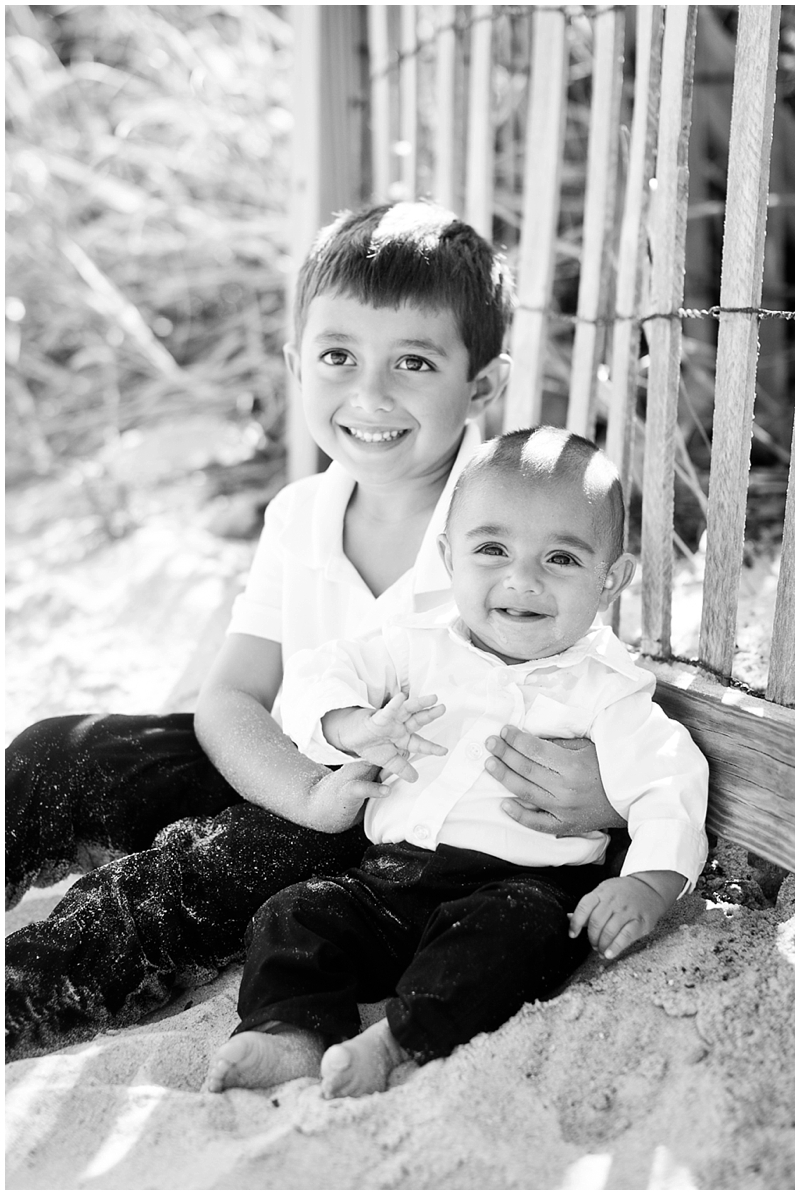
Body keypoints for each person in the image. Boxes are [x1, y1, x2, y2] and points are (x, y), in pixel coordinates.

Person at [6, 203, 624, 1063]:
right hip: (292, 773)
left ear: (480, 385)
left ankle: (25, 993)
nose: (369, 395)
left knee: (210, 867)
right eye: (338, 357)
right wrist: (298, 783)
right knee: (57, 753)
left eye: (413, 361)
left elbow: (596, 686)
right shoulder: (303, 513)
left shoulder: (510, 536)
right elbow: (230, 697)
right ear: (299, 363)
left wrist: (608, 790)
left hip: (387, 819)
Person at [205, 427, 708, 1100]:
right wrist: (353, 724)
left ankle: (394, 1042)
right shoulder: (415, 645)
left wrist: (647, 883)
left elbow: (668, 781)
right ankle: (290, 1032)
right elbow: (321, 671)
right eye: (492, 549)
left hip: (519, 884)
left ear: (611, 578)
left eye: (560, 558)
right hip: (391, 877)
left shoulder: (607, 688)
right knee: (295, 911)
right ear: (449, 557)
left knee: (515, 938)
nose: (521, 579)